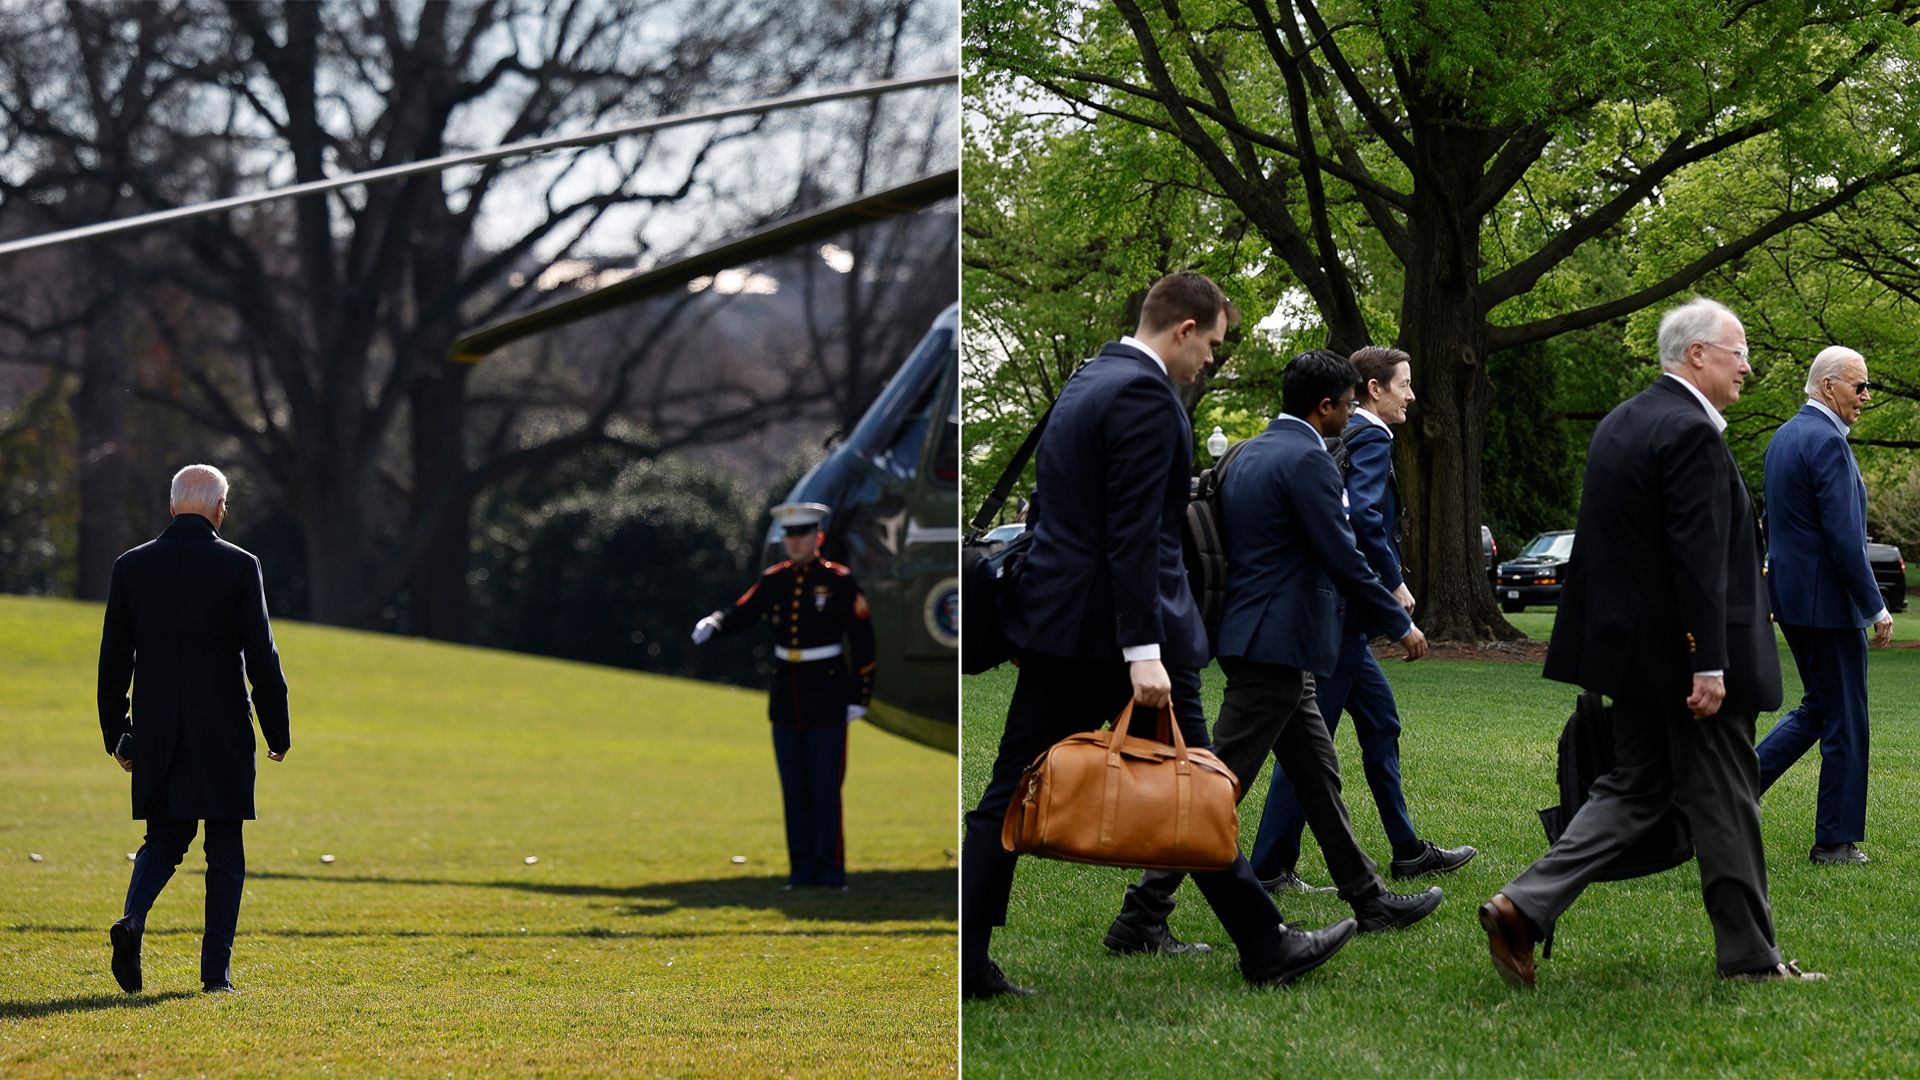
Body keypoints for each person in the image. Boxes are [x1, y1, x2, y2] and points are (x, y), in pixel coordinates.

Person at [959, 273, 1356, 999]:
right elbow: (1137, 535)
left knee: (1013, 793)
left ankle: (971, 961)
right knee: (1192, 785)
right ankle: (1261, 944)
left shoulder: (1086, 381)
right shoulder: (1144, 398)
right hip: (1123, 636)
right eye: (1211, 343)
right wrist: (1143, 652)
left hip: (1065, 625)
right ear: (1182, 329)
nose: (1211, 358)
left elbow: (1051, 508)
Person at [1479, 297, 1824, 986]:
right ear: (1696, 354)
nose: (1748, 367)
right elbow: (1694, 558)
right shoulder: (1691, 430)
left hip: (1633, 657)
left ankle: (1524, 903)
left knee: (1636, 785)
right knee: (1727, 798)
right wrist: (1708, 662)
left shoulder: (1621, 422)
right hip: (1690, 663)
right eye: (1739, 351)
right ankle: (1752, 960)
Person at [1104, 348, 1445, 955]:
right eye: (1346, 405)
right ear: (1326, 406)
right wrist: (1398, 620)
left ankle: (1367, 898)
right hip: (1277, 645)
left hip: (1255, 636)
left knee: (1318, 775)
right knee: (1217, 786)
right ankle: (1142, 914)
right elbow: (1343, 554)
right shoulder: (1308, 460)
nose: (1350, 414)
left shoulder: (1247, 452)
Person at [1250, 346, 1475, 892]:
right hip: (1345, 621)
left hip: (1341, 616)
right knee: (1309, 745)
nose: (1412, 395)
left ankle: (1407, 850)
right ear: (1374, 389)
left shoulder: (1340, 435)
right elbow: (1363, 516)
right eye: (1404, 384)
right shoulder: (1372, 435)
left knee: (1380, 725)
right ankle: (1269, 867)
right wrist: (1392, 584)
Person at [99, 464, 290, 995]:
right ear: (220, 508)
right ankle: (215, 975)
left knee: (163, 837)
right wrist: (277, 729)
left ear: (171, 506)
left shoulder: (131, 566)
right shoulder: (239, 565)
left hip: (158, 728)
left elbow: (113, 657)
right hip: (223, 728)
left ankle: (132, 920)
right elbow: (262, 655)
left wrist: (117, 731)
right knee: (224, 850)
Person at [692, 502, 875, 889]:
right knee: (794, 791)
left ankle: (830, 873)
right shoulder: (774, 579)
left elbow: (862, 641)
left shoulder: (840, 581)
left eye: (802, 535)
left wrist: (861, 694)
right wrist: (716, 622)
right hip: (786, 698)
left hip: (827, 697)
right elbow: (743, 611)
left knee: (825, 790)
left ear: (818, 538)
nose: (795, 543)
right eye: (790, 536)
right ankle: (801, 872)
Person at [1755, 346, 1891, 865]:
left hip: (1792, 599)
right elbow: (1843, 538)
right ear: (1829, 385)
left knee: (1819, 708)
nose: (1866, 396)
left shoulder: (1785, 437)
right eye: (1859, 386)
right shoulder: (1827, 441)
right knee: (1847, 720)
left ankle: (1727, 791)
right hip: (1828, 605)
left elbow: (1774, 523)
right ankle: (1835, 842)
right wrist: (1874, 607)